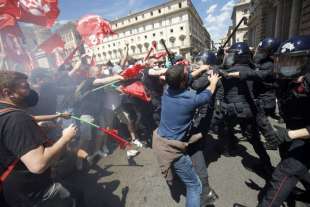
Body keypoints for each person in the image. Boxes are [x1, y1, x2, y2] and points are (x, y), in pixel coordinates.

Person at [227, 36, 310, 206]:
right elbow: (257, 74)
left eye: (293, 61)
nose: (287, 65)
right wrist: (234, 73)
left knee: (282, 175)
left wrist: (290, 134)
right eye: (284, 60)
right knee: (292, 161)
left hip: (304, 136)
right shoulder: (283, 76)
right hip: (295, 132)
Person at [0, 71, 79, 207]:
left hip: (12, 191)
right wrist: (66, 137)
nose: (30, 91)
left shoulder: (5, 112)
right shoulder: (16, 119)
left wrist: (50, 120)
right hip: (32, 192)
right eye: (25, 87)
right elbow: (39, 165)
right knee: (76, 196)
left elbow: (22, 127)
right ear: (7, 93)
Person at [153, 63, 220, 207]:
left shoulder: (166, 90)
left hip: (160, 140)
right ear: (183, 81)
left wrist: (201, 69)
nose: (189, 73)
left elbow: (187, 78)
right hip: (171, 149)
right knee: (194, 186)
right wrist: (213, 81)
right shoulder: (190, 99)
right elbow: (208, 94)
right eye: (186, 73)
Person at [218, 42, 274, 177]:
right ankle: (267, 165)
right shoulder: (253, 69)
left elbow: (217, 69)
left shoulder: (229, 71)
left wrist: (218, 59)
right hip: (248, 110)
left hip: (232, 109)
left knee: (225, 128)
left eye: (230, 55)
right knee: (255, 140)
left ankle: (228, 149)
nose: (228, 57)